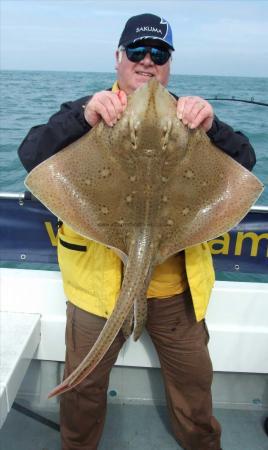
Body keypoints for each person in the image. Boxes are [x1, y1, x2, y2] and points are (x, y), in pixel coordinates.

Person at [18, 13, 256, 450]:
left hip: (175, 291)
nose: (147, 62)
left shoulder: (190, 117)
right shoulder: (84, 112)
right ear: (118, 57)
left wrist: (212, 127)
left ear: (168, 64)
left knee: (195, 389)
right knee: (83, 394)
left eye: (159, 54)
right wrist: (85, 119)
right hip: (97, 292)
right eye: (137, 52)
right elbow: (31, 154)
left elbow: (246, 162)